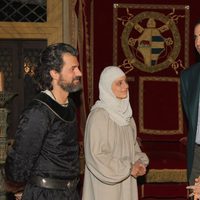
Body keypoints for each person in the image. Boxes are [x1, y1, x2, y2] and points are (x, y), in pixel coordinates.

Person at [4, 43, 82, 200]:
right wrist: (19, 188)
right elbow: (20, 160)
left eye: (78, 67)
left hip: (69, 194)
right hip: (44, 194)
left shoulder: (70, 105)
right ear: (54, 73)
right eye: (72, 69)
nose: (79, 73)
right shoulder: (39, 110)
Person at [82, 66, 149, 200]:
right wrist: (128, 168)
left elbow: (132, 149)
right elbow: (96, 157)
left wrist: (139, 162)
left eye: (125, 81)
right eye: (119, 83)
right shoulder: (99, 116)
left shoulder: (127, 117)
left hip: (126, 183)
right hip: (106, 187)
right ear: (107, 86)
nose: (125, 86)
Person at [180, 19, 200, 187]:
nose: (198, 43)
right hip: (197, 153)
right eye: (195, 37)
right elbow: (190, 116)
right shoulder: (188, 77)